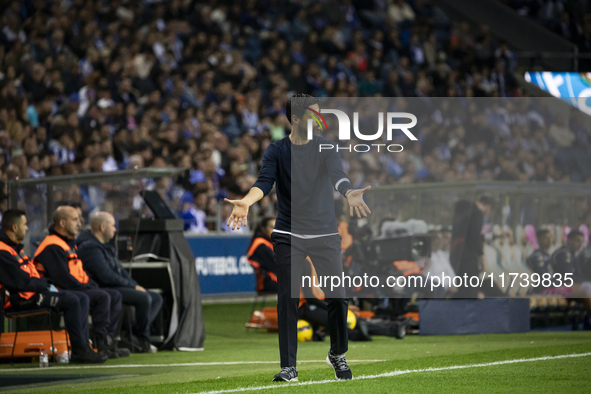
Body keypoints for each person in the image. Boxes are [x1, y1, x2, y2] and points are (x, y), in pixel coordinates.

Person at [225, 94, 371, 382]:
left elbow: (337, 175)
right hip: (288, 233)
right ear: (295, 120)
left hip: (325, 233)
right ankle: (289, 366)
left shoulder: (326, 147)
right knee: (288, 298)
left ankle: (337, 355)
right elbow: (264, 182)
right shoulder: (277, 151)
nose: (319, 121)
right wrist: (247, 201)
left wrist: (347, 191)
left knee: (338, 298)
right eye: (313, 116)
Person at [0, 209, 106, 364]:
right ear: (14, 228)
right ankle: (79, 351)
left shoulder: (13, 247)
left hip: (34, 293)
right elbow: (20, 282)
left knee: (81, 297)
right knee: (72, 301)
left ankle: (84, 347)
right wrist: (45, 284)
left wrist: (44, 284)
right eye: (25, 224)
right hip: (20, 299)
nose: (27, 228)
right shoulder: (3, 251)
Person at [33, 206, 128, 359]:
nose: (79, 223)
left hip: (76, 288)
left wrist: (91, 285)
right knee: (102, 297)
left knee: (114, 295)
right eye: (75, 219)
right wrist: (87, 287)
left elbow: (78, 274)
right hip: (58, 291)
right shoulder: (52, 245)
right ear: (62, 223)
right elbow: (62, 279)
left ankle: (106, 343)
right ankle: (93, 345)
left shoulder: (67, 243)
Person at [76, 211, 163, 353]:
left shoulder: (106, 246)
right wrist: (132, 286)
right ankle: (141, 339)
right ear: (103, 227)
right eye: (113, 226)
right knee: (144, 298)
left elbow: (121, 272)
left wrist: (134, 285)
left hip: (117, 286)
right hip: (105, 288)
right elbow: (106, 276)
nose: (115, 229)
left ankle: (132, 336)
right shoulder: (90, 248)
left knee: (156, 298)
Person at [449, 195, 493, 297]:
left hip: (457, 253)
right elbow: (475, 237)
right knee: (470, 289)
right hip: (469, 257)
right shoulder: (476, 213)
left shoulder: (462, 212)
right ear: (487, 206)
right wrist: (481, 256)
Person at [246, 217, 278, 293]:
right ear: (263, 229)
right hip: (268, 282)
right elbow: (275, 265)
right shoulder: (260, 245)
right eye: (272, 227)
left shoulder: (271, 242)